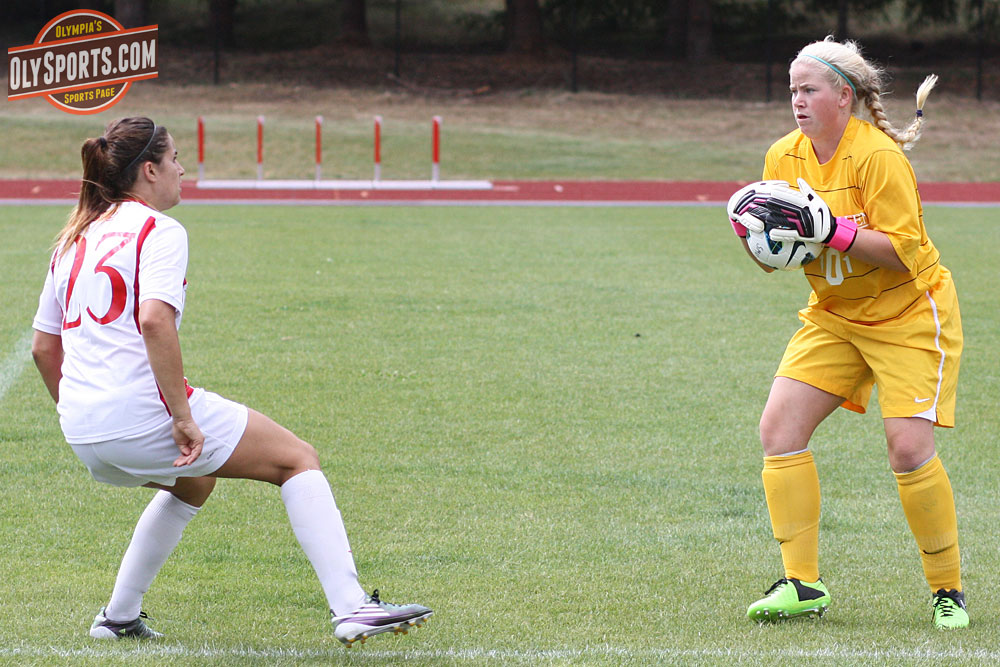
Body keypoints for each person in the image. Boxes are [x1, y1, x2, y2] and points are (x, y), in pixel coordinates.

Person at [30, 117, 432, 647]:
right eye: (175, 159)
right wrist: (181, 417)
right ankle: (351, 607)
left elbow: (43, 349)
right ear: (149, 170)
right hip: (139, 417)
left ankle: (117, 618)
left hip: (83, 432)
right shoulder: (158, 230)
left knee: (194, 482)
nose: (182, 170)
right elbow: (154, 321)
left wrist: (83, 418)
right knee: (297, 459)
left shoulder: (72, 239)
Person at [726, 37, 968, 629]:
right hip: (836, 315)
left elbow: (903, 255)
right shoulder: (782, 156)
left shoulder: (878, 157)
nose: (797, 101)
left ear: (844, 95)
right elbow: (777, 259)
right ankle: (802, 584)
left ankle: (948, 591)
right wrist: (754, 237)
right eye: (792, 90)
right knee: (779, 430)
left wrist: (830, 230)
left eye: (809, 89)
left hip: (909, 314)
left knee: (907, 449)